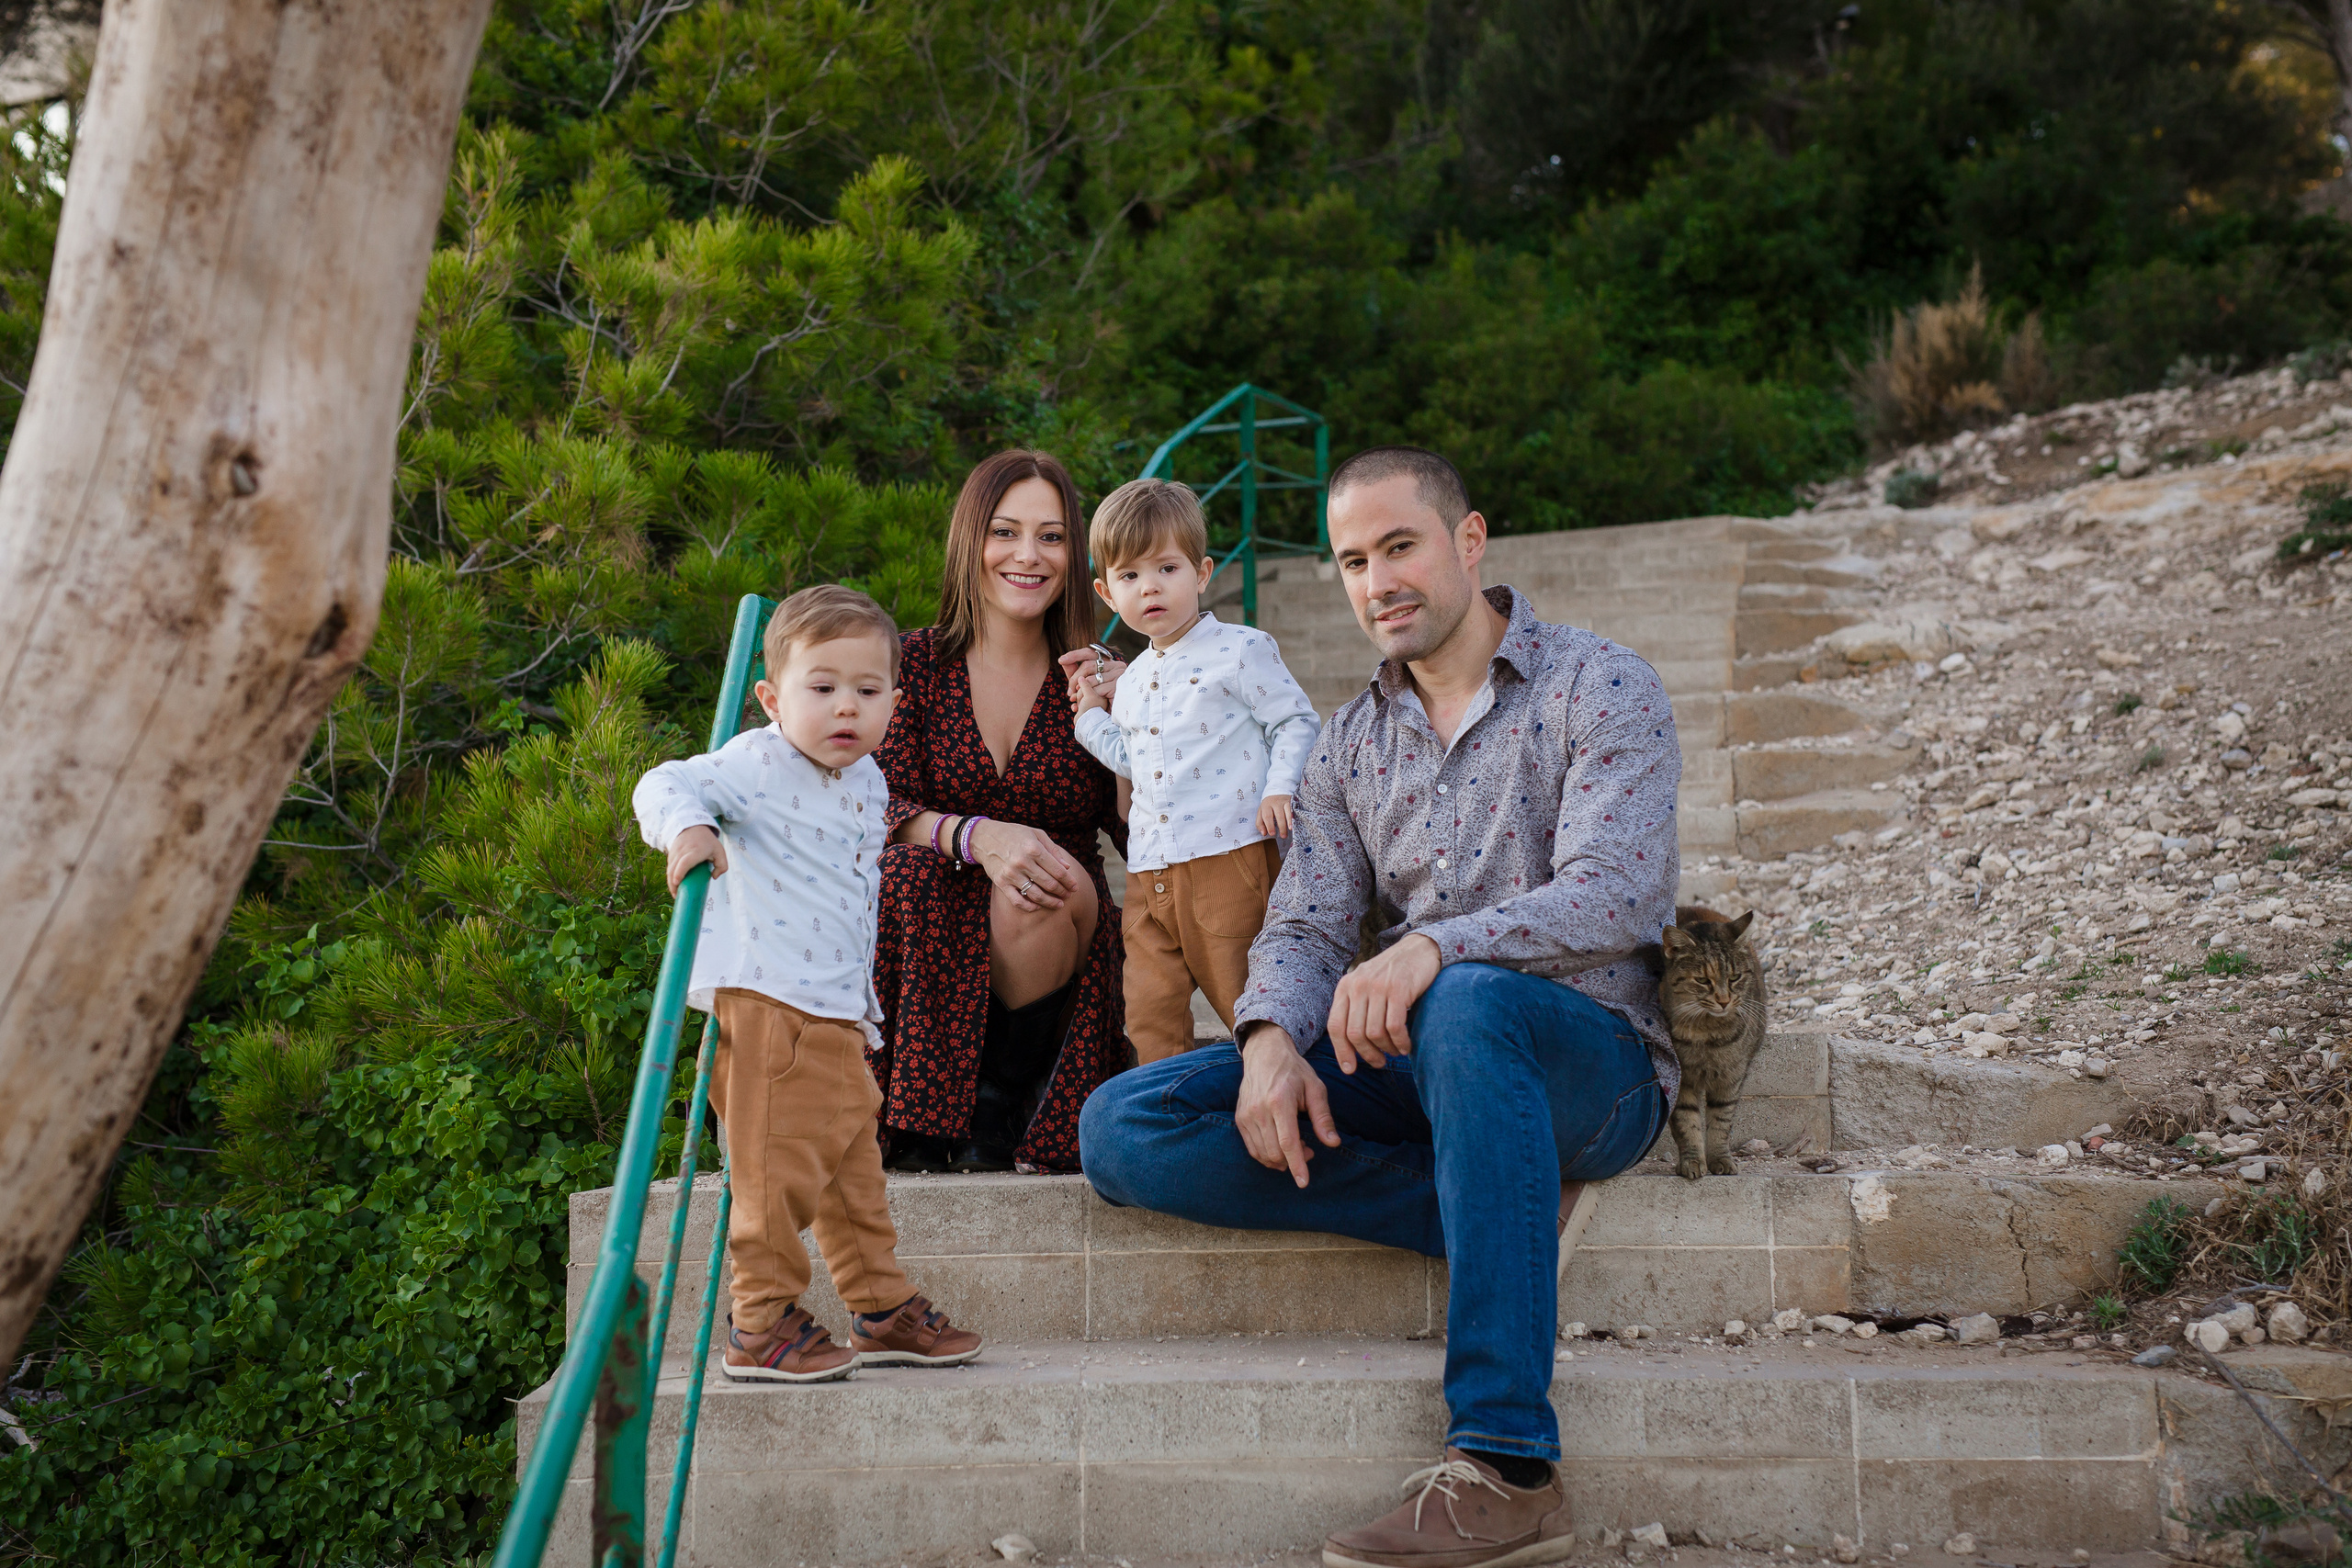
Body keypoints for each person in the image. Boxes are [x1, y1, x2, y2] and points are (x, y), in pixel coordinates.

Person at [1078, 446, 1681, 1568]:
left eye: (1398, 546)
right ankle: (1476, 1208)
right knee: (1122, 1127)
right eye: (1353, 560)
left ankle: (1509, 1465)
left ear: (1467, 541)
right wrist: (1264, 1041)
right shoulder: (1351, 741)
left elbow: (1620, 892)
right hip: (1414, 1064)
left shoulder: (1597, 685)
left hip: (1587, 1067)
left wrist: (1431, 952)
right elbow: (1305, 923)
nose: (1376, 580)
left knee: (1463, 1004)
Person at [633, 583, 983, 1383]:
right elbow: (662, 782)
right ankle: (758, 1323)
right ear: (771, 696)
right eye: (821, 688)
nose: (845, 708)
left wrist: (862, 1014)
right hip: (767, 1006)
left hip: (839, 1015)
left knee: (854, 1175)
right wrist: (689, 829)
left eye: (867, 690)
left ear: (896, 697)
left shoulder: (865, 782)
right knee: (776, 1174)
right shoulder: (756, 763)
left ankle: (882, 1304)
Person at [871, 449, 1128, 1174]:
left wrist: (1130, 725)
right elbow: (876, 802)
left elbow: (1147, 832)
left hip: (1057, 917)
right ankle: (930, 1104)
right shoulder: (912, 664)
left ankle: (999, 1102)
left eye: (1051, 536)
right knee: (925, 874)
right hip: (929, 926)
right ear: (971, 541)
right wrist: (980, 836)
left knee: (1043, 873)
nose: (1028, 555)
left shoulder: (1097, 671)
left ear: (1074, 553)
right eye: (1006, 532)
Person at [1058, 477, 1320, 1063]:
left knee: (1246, 1004)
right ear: (1106, 592)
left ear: (1202, 573)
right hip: (1149, 874)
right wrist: (1091, 720)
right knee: (1149, 1010)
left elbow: (1295, 723)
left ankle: (1283, 1096)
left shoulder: (1243, 649)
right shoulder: (1130, 683)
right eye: (1129, 576)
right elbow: (1137, 763)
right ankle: (1167, 1122)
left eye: (1166, 569)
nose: (1149, 587)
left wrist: (1281, 788)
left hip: (1228, 858)